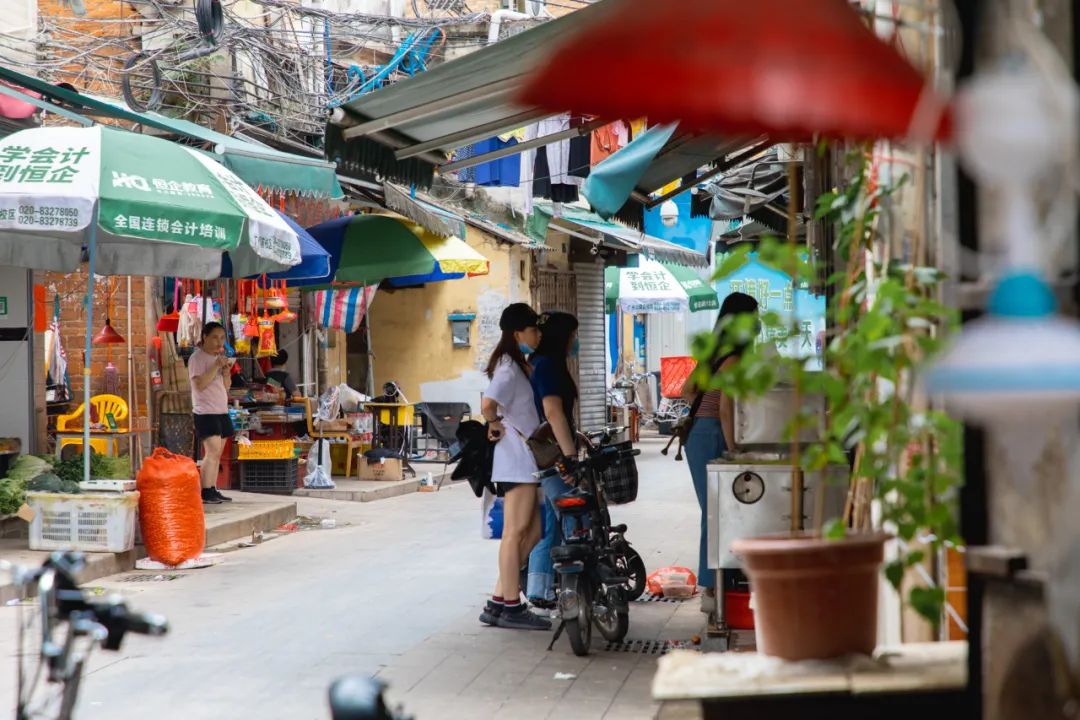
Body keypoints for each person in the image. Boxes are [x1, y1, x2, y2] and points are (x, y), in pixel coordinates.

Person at [682, 292, 759, 629]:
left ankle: (714, 586)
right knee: (716, 514)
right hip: (712, 434)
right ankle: (713, 587)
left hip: (698, 434)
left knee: (712, 513)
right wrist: (734, 448)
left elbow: (686, 391)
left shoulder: (714, 354)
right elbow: (727, 407)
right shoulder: (735, 359)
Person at [478, 303, 550, 630]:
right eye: (533, 329)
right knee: (514, 533)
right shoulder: (508, 367)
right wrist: (492, 423)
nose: (538, 334)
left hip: (526, 460)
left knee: (533, 532)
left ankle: (497, 601)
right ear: (517, 333)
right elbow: (487, 403)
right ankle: (511, 606)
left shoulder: (518, 364)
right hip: (516, 459)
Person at [526, 311, 581, 607]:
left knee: (552, 522)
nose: (575, 341)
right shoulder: (547, 366)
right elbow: (552, 412)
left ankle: (539, 588)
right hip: (552, 455)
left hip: (548, 452)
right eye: (572, 335)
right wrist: (569, 456)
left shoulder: (540, 362)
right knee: (573, 520)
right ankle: (574, 588)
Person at [188, 322, 234, 505]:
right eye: (215, 337)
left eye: (222, 338)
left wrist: (226, 372)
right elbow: (199, 384)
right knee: (212, 451)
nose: (218, 342)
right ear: (205, 337)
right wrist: (215, 366)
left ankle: (212, 488)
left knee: (218, 453)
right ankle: (205, 491)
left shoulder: (219, 358)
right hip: (205, 411)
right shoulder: (196, 358)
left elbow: (226, 386)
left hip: (221, 409)